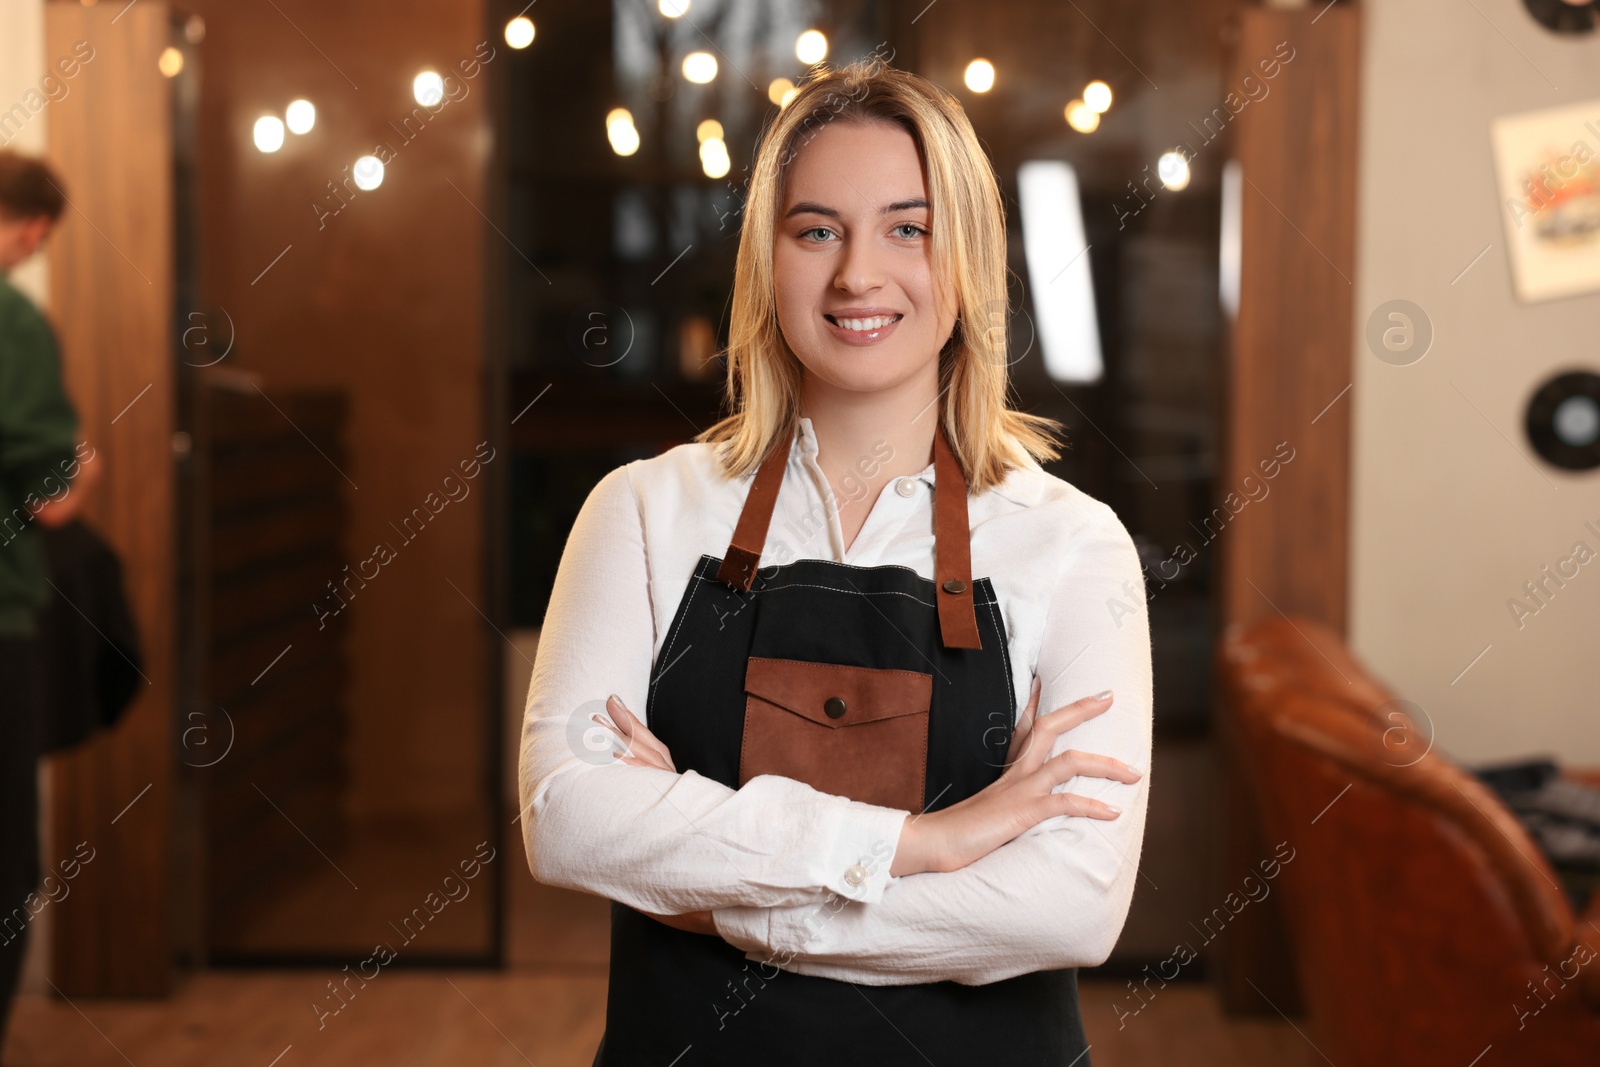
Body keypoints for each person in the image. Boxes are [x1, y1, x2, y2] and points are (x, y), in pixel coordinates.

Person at [519, 59, 1151, 1066]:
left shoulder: (1073, 543)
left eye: (909, 227)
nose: (859, 273)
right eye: (816, 230)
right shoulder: (641, 510)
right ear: (768, 261)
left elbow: (1068, 907)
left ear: (967, 258)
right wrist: (923, 843)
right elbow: (568, 819)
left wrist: (723, 904)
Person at [0, 149, 97, 1055]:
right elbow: (49, 494)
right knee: (5, 860)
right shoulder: (11, 323)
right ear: (29, 225)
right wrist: (83, 465)